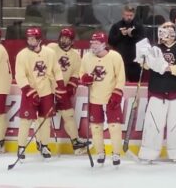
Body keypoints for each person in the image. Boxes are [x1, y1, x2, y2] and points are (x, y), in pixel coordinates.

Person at [137, 22, 176, 162]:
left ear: (174, 32)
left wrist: (164, 67)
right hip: (158, 91)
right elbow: (146, 66)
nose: (166, 32)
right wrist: (143, 58)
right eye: (163, 29)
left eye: (169, 29)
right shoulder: (155, 48)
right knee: (153, 123)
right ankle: (149, 153)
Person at [15, 27, 67, 160]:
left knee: (45, 121)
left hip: (46, 92)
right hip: (29, 93)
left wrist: (60, 84)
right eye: (28, 38)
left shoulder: (49, 53)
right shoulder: (22, 55)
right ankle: (21, 147)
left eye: (32, 39)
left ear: (39, 40)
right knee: (26, 120)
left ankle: (43, 145)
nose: (30, 41)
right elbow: (20, 76)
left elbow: (56, 69)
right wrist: (30, 92)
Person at [80, 31, 125, 166]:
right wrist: (84, 79)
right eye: (92, 43)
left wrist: (117, 93)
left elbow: (120, 76)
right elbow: (81, 73)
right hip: (95, 97)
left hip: (111, 97)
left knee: (114, 127)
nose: (93, 45)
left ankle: (116, 153)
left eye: (97, 43)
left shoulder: (115, 57)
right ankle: (100, 152)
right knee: (96, 127)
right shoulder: (87, 57)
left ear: (104, 44)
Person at [47, 27, 88, 155]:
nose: (63, 40)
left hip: (62, 91)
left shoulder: (75, 56)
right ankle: (41, 143)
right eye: (62, 37)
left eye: (67, 38)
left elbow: (75, 74)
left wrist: (70, 87)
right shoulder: (50, 48)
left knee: (68, 115)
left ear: (71, 41)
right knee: (44, 117)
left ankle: (76, 143)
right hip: (47, 89)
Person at [108, 5, 145, 82]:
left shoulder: (139, 26)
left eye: (131, 15)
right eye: (127, 15)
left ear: (134, 15)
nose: (129, 17)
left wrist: (133, 35)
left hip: (135, 62)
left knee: (135, 84)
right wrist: (120, 35)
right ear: (123, 15)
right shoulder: (116, 26)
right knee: (119, 82)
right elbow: (110, 41)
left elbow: (144, 41)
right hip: (120, 60)